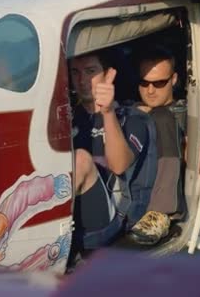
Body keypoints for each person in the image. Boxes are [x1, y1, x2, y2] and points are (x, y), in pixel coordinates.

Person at [69, 50, 153, 252]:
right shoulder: (66, 118)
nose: (82, 80)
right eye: (75, 72)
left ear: (108, 75)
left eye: (90, 71)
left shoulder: (132, 119)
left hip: (111, 222)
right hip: (72, 221)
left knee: (80, 160)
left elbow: (119, 165)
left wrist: (107, 112)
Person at [127, 46, 186, 245]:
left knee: (162, 116)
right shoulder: (132, 110)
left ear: (174, 79)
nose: (150, 90)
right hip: (129, 194)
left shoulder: (174, 115)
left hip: (156, 199)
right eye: (144, 83)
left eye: (159, 83)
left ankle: (162, 212)